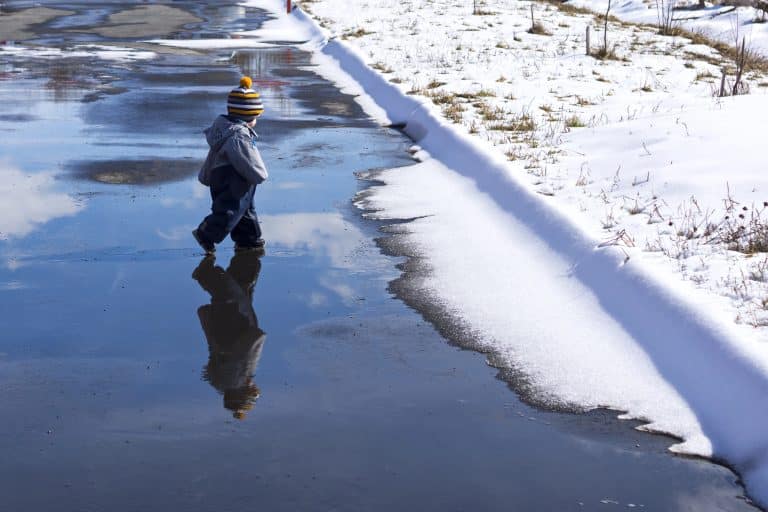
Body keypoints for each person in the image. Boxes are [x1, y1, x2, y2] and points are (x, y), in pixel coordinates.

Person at [193, 76, 268, 255]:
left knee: (244, 210)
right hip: (235, 178)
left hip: (220, 176)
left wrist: (206, 176)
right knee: (230, 209)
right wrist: (260, 175)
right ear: (250, 116)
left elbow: (213, 155)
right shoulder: (239, 136)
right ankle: (206, 233)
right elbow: (249, 161)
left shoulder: (224, 130)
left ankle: (249, 240)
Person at [192, 252, 266, 420]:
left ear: (244, 393)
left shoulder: (240, 373)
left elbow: (253, 343)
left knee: (226, 289)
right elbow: (212, 343)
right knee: (232, 289)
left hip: (238, 319)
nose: (255, 387)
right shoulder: (219, 374)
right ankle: (243, 256)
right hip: (223, 321)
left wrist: (259, 339)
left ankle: (204, 273)